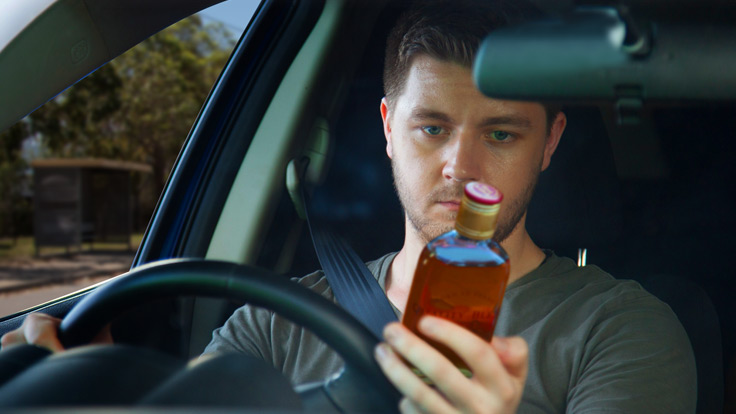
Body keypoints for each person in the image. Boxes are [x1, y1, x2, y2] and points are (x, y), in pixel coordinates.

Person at [1, 1, 696, 413]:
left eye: (502, 133)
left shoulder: (624, 328)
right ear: (389, 130)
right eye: (432, 128)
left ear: (550, 144)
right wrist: (98, 380)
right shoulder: (273, 318)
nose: (462, 166)